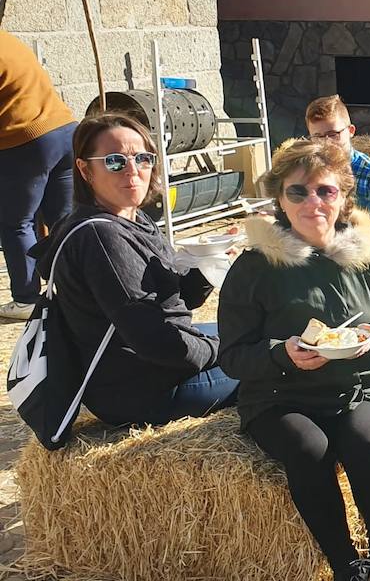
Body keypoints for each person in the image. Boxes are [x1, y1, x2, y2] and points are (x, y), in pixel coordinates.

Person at [218, 140, 370, 581]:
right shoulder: (254, 267)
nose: (314, 203)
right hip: (280, 394)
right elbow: (231, 355)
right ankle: (347, 569)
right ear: (279, 201)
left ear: (343, 196)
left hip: (361, 384)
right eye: (298, 192)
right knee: (309, 449)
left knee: (362, 439)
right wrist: (280, 354)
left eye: (325, 191)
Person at [37, 113, 237, 427]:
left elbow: (173, 298)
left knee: (254, 333)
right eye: (115, 161)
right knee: (270, 363)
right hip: (138, 391)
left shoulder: (133, 219)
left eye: (143, 158)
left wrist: (208, 268)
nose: (133, 170)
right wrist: (225, 349)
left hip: (146, 367)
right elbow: (159, 342)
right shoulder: (102, 238)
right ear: (86, 170)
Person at [0, 32, 78, 319]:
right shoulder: (6, 39)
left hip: (26, 141)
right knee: (64, 220)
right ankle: (77, 290)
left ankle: (26, 299)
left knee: (16, 223)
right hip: (66, 131)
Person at [304, 95, 370, 235]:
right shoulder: (305, 173)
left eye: (333, 134)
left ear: (351, 131)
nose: (326, 142)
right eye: (318, 136)